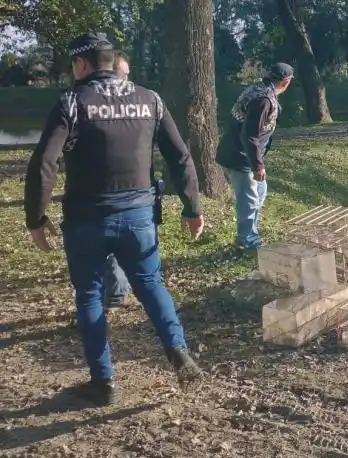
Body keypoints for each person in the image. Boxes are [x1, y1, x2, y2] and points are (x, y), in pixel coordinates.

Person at [25, 32, 205, 406]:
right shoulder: (150, 100)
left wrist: (36, 218)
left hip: (87, 217)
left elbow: (45, 162)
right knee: (152, 284)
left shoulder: (72, 102)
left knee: (90, 295)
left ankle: (103, 382)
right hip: (139, 216)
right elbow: (181, 157)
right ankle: (178, 351)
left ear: (83, 64)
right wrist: (192, 207)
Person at [216, 63, 293, 250]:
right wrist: (257, 166)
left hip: (241, 154)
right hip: (240, 157)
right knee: (249, 200)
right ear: (286, 81)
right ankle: (247, 242)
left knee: (259, 191)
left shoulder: (258, 89)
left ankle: (250, 233)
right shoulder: (264, 100)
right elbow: (248, 135)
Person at [101, 51, 133, 310]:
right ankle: (116, 290)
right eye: (121, 74)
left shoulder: (140, 103)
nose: (126, 80)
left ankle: (118, 289)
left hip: (136, 190)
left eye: (127, 75)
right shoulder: (92, 104)